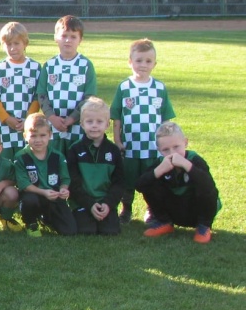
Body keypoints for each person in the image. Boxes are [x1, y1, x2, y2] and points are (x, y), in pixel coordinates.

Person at [111, 39, 176, 224]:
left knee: (152, 179)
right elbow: (117, 118)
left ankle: (151, 209)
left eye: (148, 61)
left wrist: (167, 144)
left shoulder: (159, 88)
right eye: (139, 60)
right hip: (130, 147)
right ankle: (126, 209)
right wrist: (117, 141)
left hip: (152, 148)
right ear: (130, 62)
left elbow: (165, 120)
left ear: (154, 64)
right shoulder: (124, 87)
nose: (143, 65)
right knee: (128, 180)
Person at [137, 122, 220, 243]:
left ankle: (204, 226)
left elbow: (209, 187)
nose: (172, 153)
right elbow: (140, 186)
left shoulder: (195, 159)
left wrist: (187, 166)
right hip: (175, 210)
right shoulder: (161, 162)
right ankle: (164, 222)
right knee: (150, 181)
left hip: (196, 210)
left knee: (205, 186)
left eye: (176, 147)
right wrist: (159, 170)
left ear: (185, 142)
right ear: (159, 150)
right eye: (165, 149)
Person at [37, 15, 97, 154]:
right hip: (53, 126)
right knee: (54, 160)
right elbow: (42, 94)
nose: (68, 40)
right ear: (55, 38)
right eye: (64, 35)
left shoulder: (86, 65)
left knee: (75, 160)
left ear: (80, 40)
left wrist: (72, 118)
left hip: (78, 127)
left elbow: (89, 97)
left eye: (73, 36)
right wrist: (51, 117)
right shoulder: (49, 65)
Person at [67, 96, 123, 236]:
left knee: (110, 231)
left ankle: (107, 213)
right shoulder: (74, 150)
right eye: (89, 121)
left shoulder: (114, 151)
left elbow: (119, 183)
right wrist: (89, 204)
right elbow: (73, 183)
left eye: (99, 121)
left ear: (107, 125)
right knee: (86, 230)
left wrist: (108, 203)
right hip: (82, 202)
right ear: (82, 124)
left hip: (105, 202)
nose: (94, 125)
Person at [14, 113, 76, 237]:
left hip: (53, 195)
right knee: (29, 200)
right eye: (33, 136)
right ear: (25, 136)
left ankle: (47, 219)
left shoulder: (58, 156)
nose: (38, 140)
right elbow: (23, 184)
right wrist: (43, 192)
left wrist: (63, 189)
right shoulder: (21, 156)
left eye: (42, 135)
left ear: (50, 135)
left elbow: (65, 179)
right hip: (34, 195)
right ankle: (31, 223)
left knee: (70, 231)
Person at [0, 22, 41, 161]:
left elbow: (38, 97)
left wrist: (28, 119)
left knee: (25, 161)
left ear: (25, 43)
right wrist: (6, 118)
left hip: (27, 126)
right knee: (3, 162)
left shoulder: (35, 67)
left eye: (16, 43)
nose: (12, 48)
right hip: (3, 126)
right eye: (8, 44)